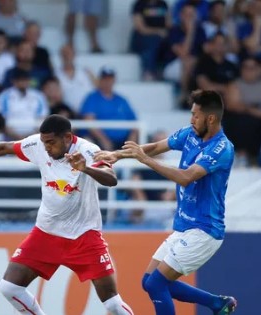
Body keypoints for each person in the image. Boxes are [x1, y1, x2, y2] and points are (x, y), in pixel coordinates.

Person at [0, 114, 134, 315]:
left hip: (84, 235)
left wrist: (86, 168)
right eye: (44, 143)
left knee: (113, 303)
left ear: (68, 138)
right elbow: (2, 148)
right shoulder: (39, 145)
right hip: (47, 232)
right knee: (9, 287)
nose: (47, 148)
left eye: (51, 142)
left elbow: (111, 179)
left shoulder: (88, 151)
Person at [94, 90, 237, 314]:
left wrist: (145, 160)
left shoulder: (222, 148)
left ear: (210, 118)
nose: (191, 120)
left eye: (195, 115)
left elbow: (186, 177)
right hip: (184, 226)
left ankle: (217, 304)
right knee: (148, 280)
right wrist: (116, 155)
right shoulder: (190, 133)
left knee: (156, 284)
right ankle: (217, 303)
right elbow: (155, 147)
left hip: (205, 230)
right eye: (191, 114)